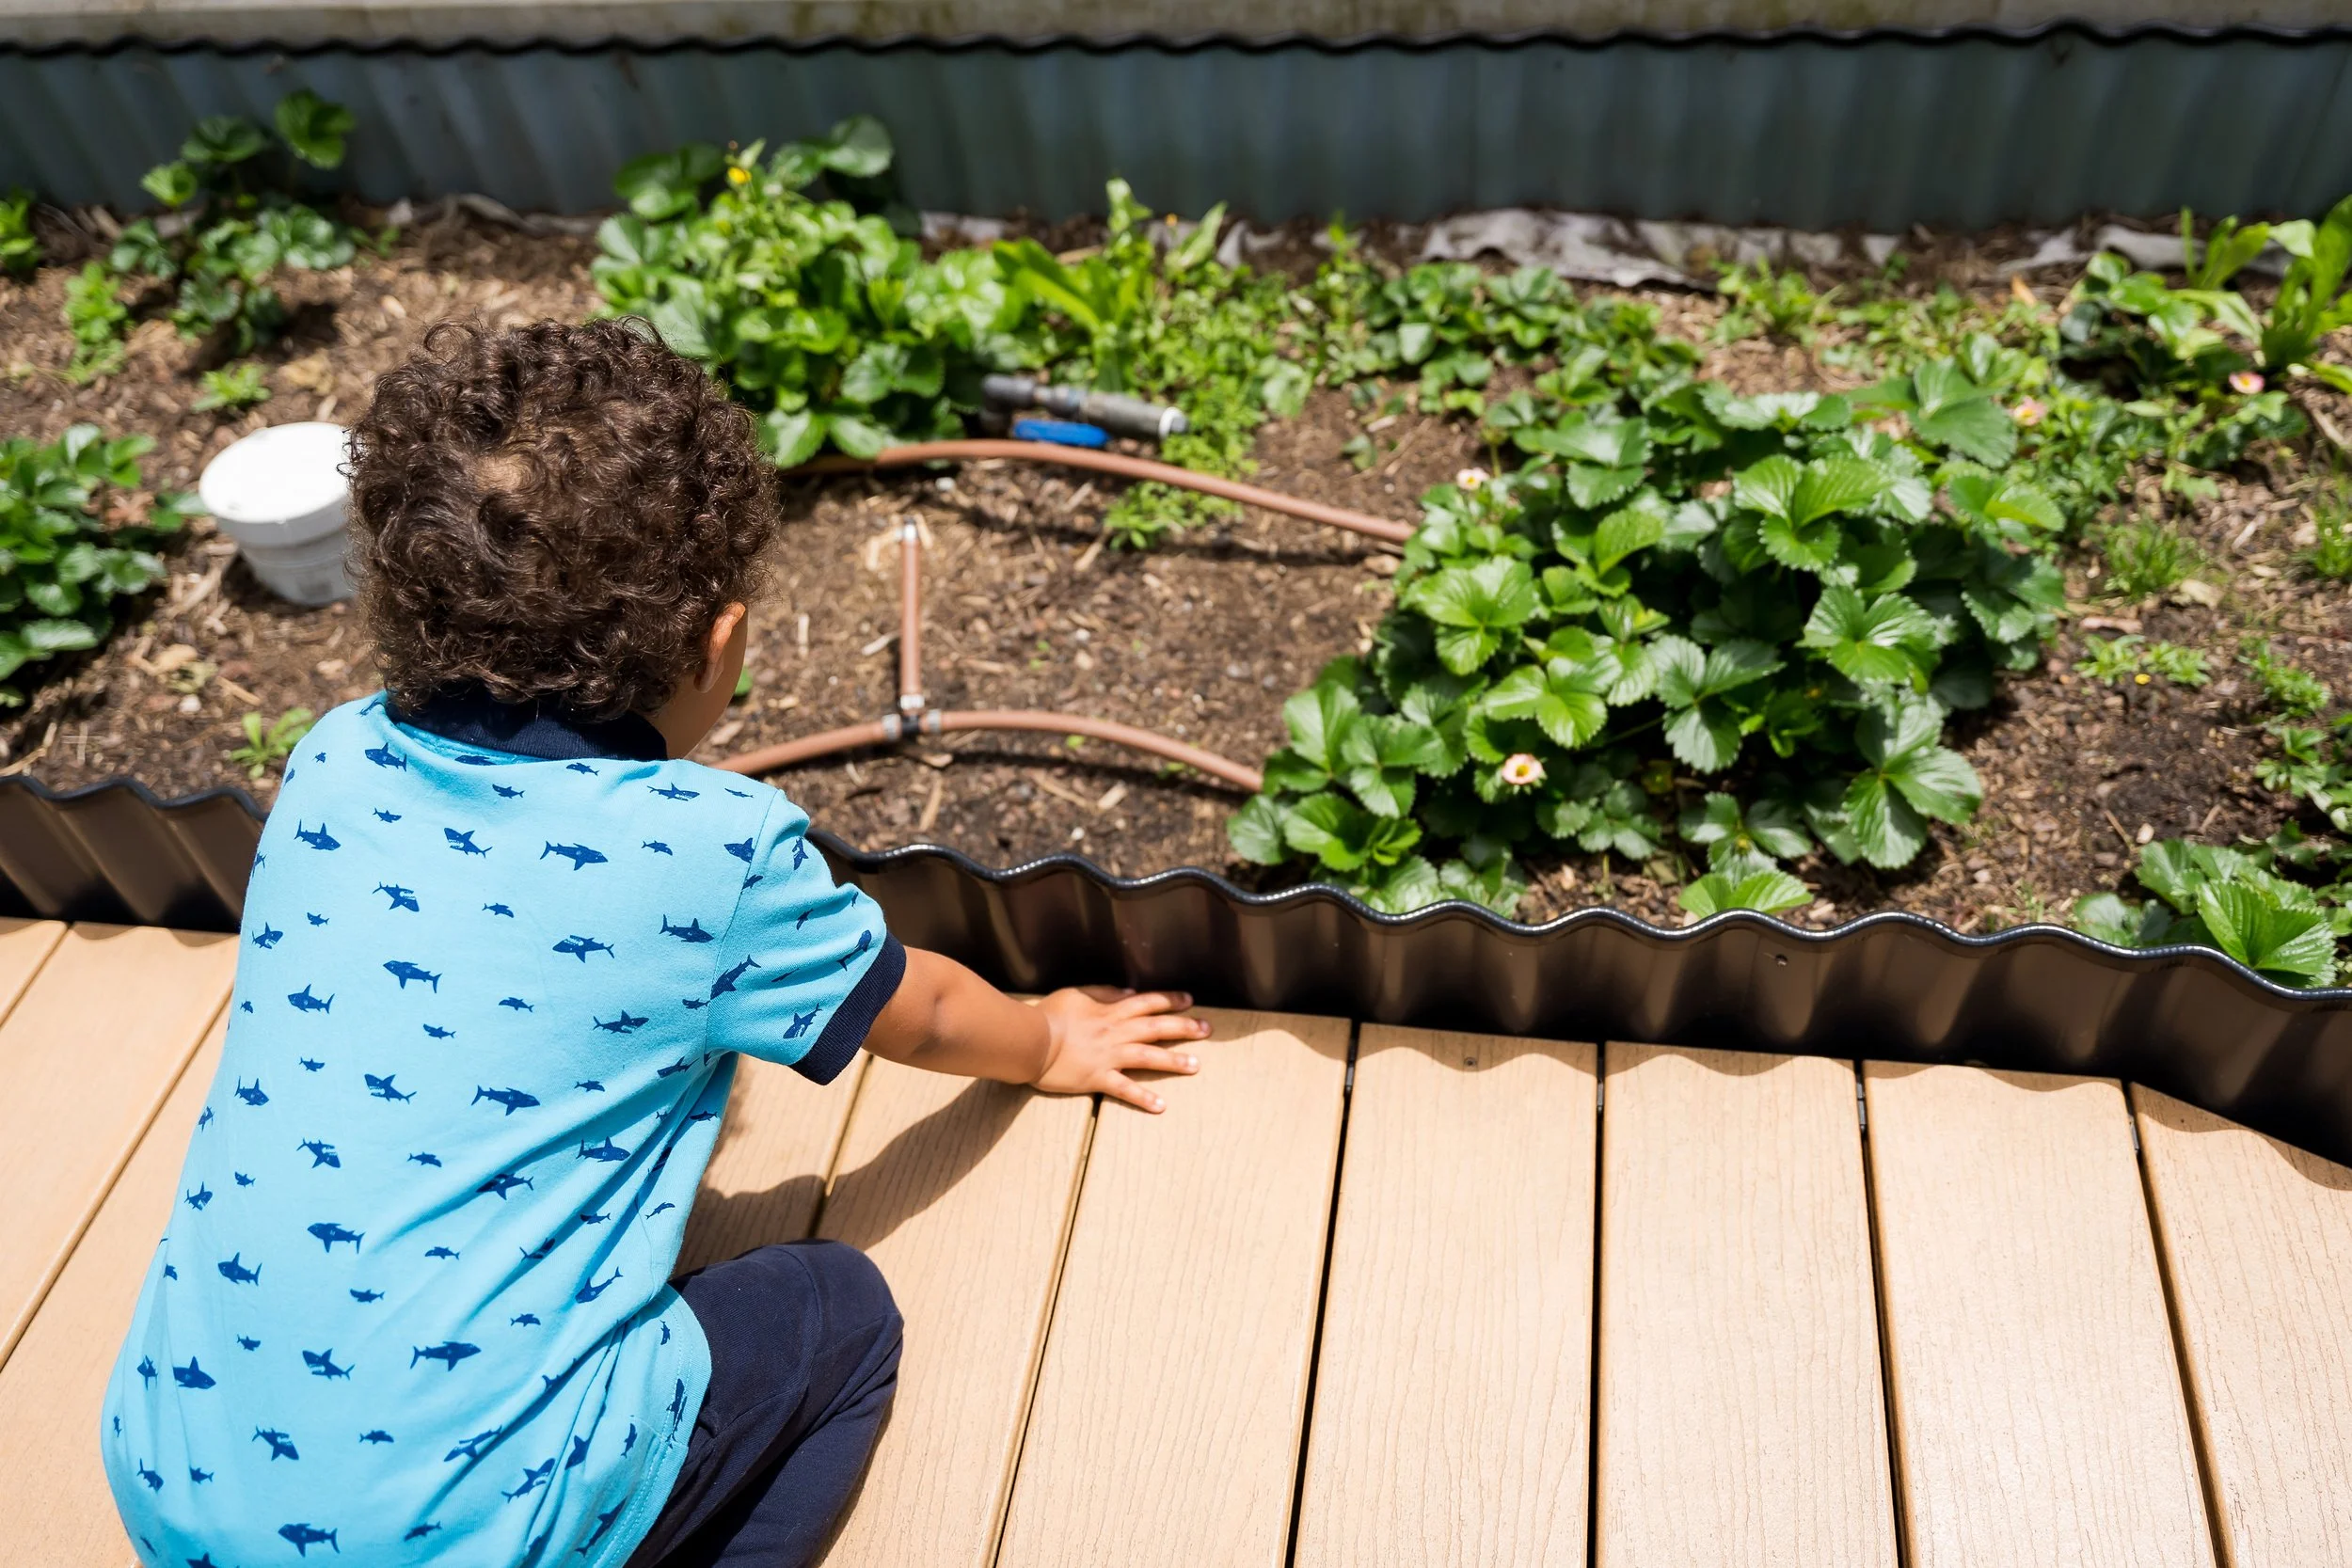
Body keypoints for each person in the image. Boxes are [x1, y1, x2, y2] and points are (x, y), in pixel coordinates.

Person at [99, 320, 1209, 1568]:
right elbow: (924, 1012)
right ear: (720, 639)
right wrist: (1053, 1034)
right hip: (471, 1534)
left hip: (174, 1479)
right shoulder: (709, 852)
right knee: (837, 1313)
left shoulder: (331, 761)